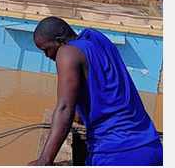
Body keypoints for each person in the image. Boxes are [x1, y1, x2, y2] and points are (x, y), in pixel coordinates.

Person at [28, 16, 162, 166]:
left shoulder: (66, 53)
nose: (48, 56)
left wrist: (44, 160)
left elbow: (65, 108)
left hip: (116, 154)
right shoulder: (96, 38)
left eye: (46, 50)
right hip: (152, 147)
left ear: (60, 42)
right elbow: (98, 87)